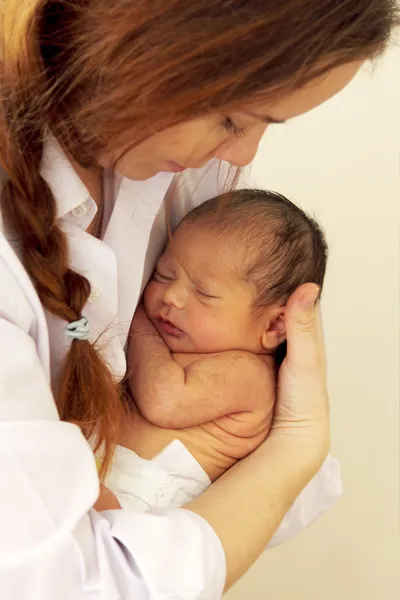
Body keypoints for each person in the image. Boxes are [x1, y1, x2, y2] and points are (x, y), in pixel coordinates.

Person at [0, 1, 397, 599]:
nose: (243, 159)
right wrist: (295, 450)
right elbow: (70, 586)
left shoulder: (181, 179)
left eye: (269, 124)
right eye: (233, 121)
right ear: (140, 48)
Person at [104, 189, 328, 514]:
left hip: (150, 499)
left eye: (204, 293)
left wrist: (135, 318)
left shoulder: (251, 374)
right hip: (115, 475)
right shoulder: (184, 344)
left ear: (274, 327)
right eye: (164, 275)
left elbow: (166, 401)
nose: (172, 296)